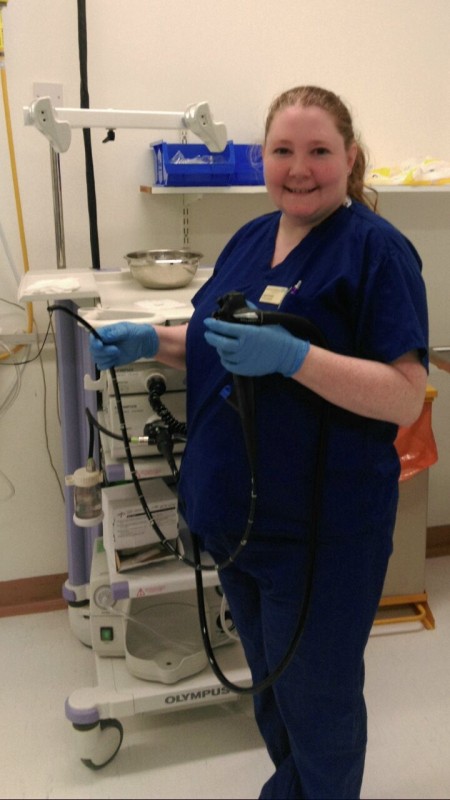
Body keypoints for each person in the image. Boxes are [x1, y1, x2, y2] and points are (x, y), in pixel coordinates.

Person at [90, 86, 429, 799]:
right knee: (272, 691)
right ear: (264, 158)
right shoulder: (251, 237)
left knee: (318, 702)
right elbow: (222, 345)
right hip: (239, 522)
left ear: (351, 159)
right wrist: (157, 341)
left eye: (318, 151)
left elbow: (403, 394)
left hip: (321, 532)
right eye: (282, 151)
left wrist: (297, 360)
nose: (298, 168)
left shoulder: (376, 251)